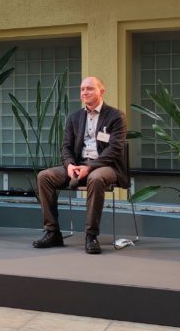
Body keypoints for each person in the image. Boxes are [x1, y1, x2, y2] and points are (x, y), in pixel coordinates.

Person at [32, 76, 127, 254]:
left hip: (105, 166)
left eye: (89, 88)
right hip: (77, 164)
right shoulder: (74, 117)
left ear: (102, 91)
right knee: (44, 176)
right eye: (82, 89)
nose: (84, 92)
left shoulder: (116, 116)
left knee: (96, 178)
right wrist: (69, 166)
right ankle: (52, 232)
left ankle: (91, 235)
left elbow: (114, 150)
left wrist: (89, 168)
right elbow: (66, 147)